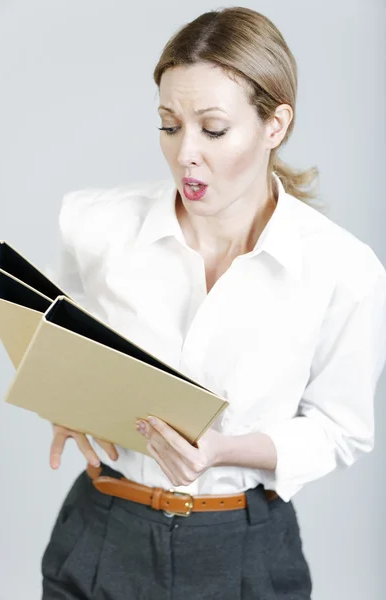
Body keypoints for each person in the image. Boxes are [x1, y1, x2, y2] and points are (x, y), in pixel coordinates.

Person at [41, 7, 386, 600]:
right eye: (169, 125)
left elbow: (341, 429)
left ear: (275, 125)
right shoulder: (94, 224)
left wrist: (224, 449)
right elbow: (54, 337)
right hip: (103, 531)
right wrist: (65, 397)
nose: (184, 154)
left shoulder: (343, 269)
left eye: (214, 129)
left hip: (245, 549)